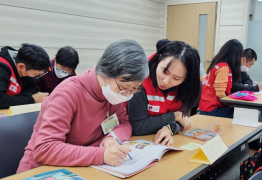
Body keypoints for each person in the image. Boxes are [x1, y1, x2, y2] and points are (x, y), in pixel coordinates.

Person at [17, 39, 149, 173]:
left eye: (134, 89)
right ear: (105, 72)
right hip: (42, 170)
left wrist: (113, 137)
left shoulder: (110, 93)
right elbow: (45, 149)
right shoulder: (68, 93)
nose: (127, 95)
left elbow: (125, 123)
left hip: (81, 167)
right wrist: (101, 155)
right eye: (124, 88)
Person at [127, 40, 200, 146]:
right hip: (139, 141)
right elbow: (138, 126)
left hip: (164, 143)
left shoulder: (186, 88)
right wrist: (175, 116)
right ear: (159, 59)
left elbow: (185, 121)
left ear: (185, 79)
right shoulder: (140, 81)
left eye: (176, 78)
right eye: (164, 71)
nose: (165, 81)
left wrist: (169, 128)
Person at [199, 39, 243, 118]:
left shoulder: (217, 64)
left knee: (240, 111)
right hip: (212, 110)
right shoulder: (223, 68)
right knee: (243, 114)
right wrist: (230, 104)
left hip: (205, 107)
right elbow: (220, 94)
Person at [0, 44, 50, 109]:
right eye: (36, 75)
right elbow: (1, 100)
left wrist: (21, 99)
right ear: (21, 66)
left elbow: (33, 87)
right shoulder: (2, 68)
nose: (37, 77)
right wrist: (31, 100)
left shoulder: (27, 65)